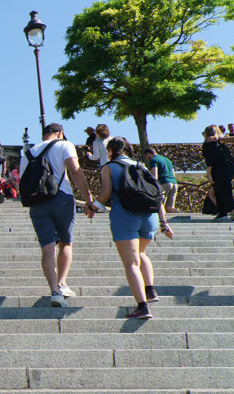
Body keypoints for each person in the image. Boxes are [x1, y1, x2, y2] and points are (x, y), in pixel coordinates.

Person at [20, 123, 98, 307]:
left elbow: (23, 181)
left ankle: (54, 291)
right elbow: (75, 170)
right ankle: (62, 283)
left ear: (44, 134)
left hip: (37, 203)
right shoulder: (64, 144)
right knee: (65, 243)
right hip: (62, 198)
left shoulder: (28, 153)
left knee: (47, 249)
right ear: (60, 133)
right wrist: (88, 198)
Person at [97, 137, 173, 320]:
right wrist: (164, 222)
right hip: (149, 217)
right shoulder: (141, 166)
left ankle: (142, 306)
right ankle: (150, 291)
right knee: (141, 253)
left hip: (125, 217)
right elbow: (156, 194)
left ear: (109, 151)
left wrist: (92, 205)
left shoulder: (108, 167)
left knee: (131, 262)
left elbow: (106, 194)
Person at [201, 125, 234, 222]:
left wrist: (209, 174)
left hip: (219, 170)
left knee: (224, 191)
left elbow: (209, 161)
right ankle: (222, 212)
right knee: (217, 190)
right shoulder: (220, 141)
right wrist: (220, 138)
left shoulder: (208, 144)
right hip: (228, 168)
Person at [143, 147, 178, 213]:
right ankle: (181, 215)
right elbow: (173, 173)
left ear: (147, 154)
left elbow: (154, 173)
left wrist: (154, 185)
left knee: (160, 206)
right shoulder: (167, 160)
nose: (146, 159)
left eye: (145, 157)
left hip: (164, 183)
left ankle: (161, 221)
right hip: (174, 183)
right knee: (170, 208)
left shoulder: (153, 160)